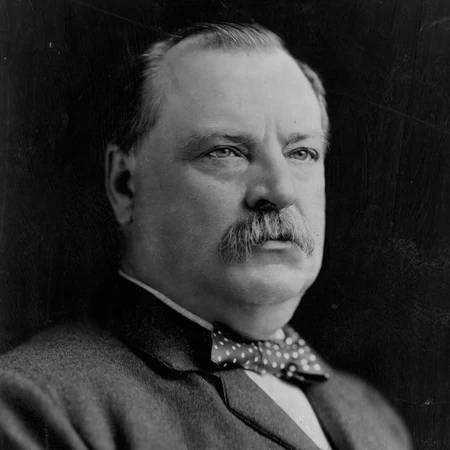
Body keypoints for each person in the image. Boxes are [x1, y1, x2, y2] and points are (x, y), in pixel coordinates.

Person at [0, 22, 413, 450]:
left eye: (302, 153)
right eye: (225, 151)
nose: (281, 190)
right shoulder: (38, 405)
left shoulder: (373, 416)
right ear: (125, 185)